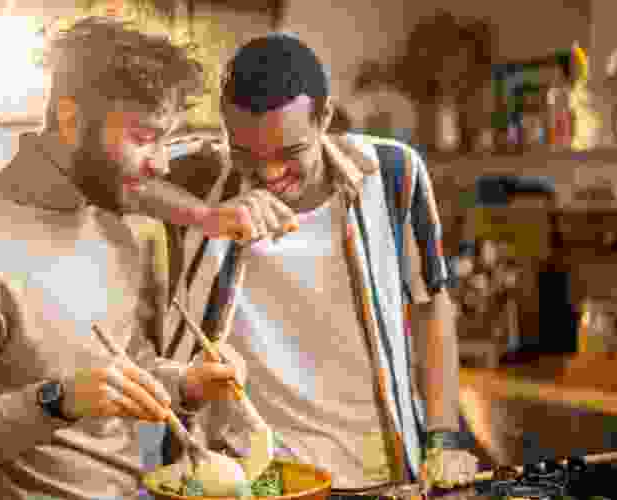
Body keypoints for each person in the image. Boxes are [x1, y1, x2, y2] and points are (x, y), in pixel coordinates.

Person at [0, 17, 246, 500]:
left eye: (167, 139)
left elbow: (120, 364)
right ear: (69, 120)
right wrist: (57, 400)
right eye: (144, 137)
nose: (163, 163)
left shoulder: (114, 225)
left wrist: (183, 383)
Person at [161, 33, 480, 495]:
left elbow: (431, 305)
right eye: (248, 155)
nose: (270, 175)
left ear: (325, 116)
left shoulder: (394, 174)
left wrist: (444, 436)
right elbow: (115, 177)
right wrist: (209, 216)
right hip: (259, 481)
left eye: (290, 154)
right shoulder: (200, 176)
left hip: (380, 475)